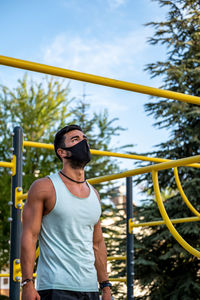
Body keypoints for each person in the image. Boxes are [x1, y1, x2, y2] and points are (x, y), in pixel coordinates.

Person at [20, 124, 112, 300]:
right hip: (55, 287)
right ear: (62, 152)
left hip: (90, 289)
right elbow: (29, 236)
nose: (83, 142)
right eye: (75, 139)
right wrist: (27, 283)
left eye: (84, 138)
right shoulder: (44, 187)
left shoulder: (95, 195)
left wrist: (106, 287)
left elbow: (98, 243)